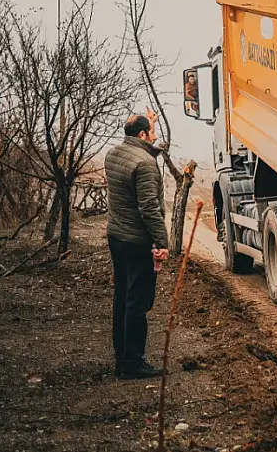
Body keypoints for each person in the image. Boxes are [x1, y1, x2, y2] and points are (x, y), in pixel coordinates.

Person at [104, 111, 171, 379]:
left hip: (116, 237)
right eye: (152, 132)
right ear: (142, 135)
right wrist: (161, 241)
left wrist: (149, 119)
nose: (155, 136)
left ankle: (122, 357)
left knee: (122, 297)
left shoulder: (114, 154)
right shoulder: (144, 164)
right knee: (138, 302)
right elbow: (149, 208)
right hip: (136, 241)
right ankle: (133, 362)